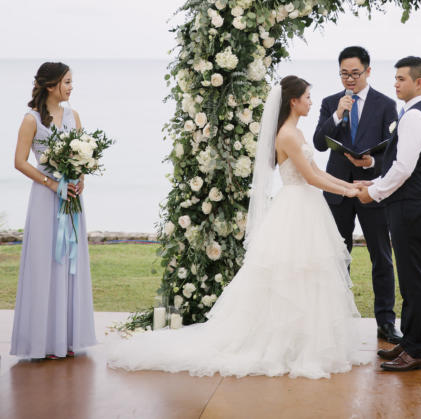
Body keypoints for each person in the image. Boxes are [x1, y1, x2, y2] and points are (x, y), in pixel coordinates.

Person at [107, 76, 371, 379]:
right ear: (294, 101)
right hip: (296, 207)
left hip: (306, 206)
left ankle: (304, 342)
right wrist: (349, 192)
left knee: (308, 275)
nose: (312, 102)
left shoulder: (296, 132)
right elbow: (310, 179)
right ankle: (286, 345)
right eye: (308, 97)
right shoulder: (286, 135)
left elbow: (316, 171)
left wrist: (350, 184)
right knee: (292, 274)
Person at [312, 46, 399, 345]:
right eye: (344, 74)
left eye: (355, 73)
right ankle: (336, 318)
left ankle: (386, 322)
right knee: (337, 255)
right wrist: (338, 114)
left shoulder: (386, 105)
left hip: (370, 190)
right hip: (336, 191)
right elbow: (319, 144)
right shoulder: (329, 103)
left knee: (381, 257)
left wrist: (372, 163)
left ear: (368, 71)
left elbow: (394, 153)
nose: (349, 79)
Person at [10, 62, 97, 359]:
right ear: (51, 86)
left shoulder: (75, 116)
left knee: (69, 262)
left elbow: (85, 156)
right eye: (67, 82)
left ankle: (69, 337)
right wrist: (51, 183)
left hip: (71, 199)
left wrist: (80, 180)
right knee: (46, 263)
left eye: (72, 81)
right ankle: (45, 341)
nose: (72, 87)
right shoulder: (31, 120)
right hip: (46, 200)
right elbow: (20, 161)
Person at [357, 56, 421, 372]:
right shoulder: (411, 113)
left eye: (401, 78)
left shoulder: (415, 117)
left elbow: (404, 168)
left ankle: (416, 351)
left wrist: (374, 192)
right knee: (409, 277)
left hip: (410, 206)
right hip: (408, 204)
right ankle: (409, 342)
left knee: (414, 279)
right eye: (395, 78)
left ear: (418, 82)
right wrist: (374, 179)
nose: (395, 83)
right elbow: (398, 163)